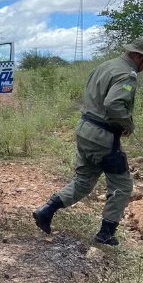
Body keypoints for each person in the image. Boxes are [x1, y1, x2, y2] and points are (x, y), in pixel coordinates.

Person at [33, 38, 143, 245]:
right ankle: (106, 234)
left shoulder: (105, 66)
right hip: (103, 136)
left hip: (85, 129)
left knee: (84, 180)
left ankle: (46, 210)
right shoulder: (127, 75)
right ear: (138, 56)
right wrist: (128, 124)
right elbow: (113, 104)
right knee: (122, 185)